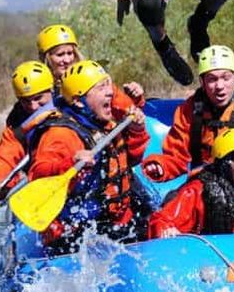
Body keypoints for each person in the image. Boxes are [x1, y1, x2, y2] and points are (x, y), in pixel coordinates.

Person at [28, 60, 150, 253]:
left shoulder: (105, 123)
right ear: (78, 101)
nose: (110, 92)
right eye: (101, 88)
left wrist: (137, 131)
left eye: (108, 85)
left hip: (117, 221)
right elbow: (38, 176)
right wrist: (70, 163)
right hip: (77, 234)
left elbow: (130, 161)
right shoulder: (61, 135)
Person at [142, 45, 234, 183]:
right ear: (202, 82)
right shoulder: (190, 109)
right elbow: (177, 157)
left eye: (226, 78)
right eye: (212, 79)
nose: (220, 86)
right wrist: (160, 166)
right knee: (173, 199)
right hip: (204, 184)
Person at [0, 61, 58, 199]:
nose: (33, 107)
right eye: (26, 101)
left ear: (51, 90)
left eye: (38, 98)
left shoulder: (70, 104)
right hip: (42, 181)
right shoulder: (18, 123)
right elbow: (5, 154)